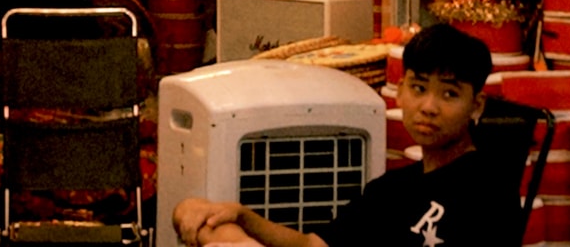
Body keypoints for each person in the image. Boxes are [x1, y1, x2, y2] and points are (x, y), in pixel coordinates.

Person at [173, 24, 518, 247]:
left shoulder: (487, 193)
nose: (429, 107)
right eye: (419, 87)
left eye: (449, 94)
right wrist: (244, 217)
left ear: (476, 106)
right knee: (195, 212)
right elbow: (313, 245)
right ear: (400, 91)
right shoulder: (391, 191)